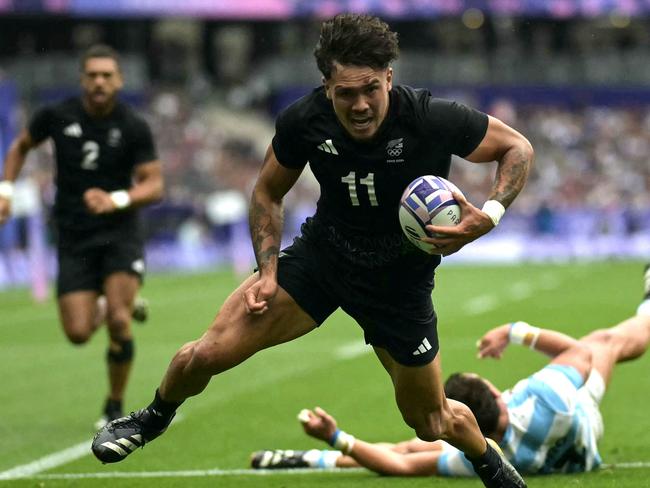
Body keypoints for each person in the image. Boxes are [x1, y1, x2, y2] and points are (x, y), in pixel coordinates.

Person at [92, 13, 533, 487]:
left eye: (370, 90)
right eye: (346, 93)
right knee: (207, 353)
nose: (360, 105)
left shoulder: (429, 116)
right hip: (324, 259)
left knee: (430, 423)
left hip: (399, 283)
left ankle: (488, 460)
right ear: (327, 87)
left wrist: (489, 214)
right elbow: (266, 193)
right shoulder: (304, 121)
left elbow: (517, 148)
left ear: (389, 77)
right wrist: (267, 271)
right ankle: (151, 417)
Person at [251, 291, 650, 477]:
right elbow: (580, 354)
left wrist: (336, 437)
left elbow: (401, 464)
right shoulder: (545, 398)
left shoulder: (474, 456)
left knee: (408, 447)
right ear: (496, 391)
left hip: (554, 453)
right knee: (605, 343)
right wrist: (516, 331)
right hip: (579, 420)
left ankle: (308, 459)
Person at [0, 44, 164, 427]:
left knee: (121, 323)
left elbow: (154, 186)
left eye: (107, 75)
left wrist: (117, 198)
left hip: (119, 233)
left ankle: (114, 405)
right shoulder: (57, 116)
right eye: (92, 75)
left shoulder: (133, 126)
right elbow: (20, 146)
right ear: (82, 80)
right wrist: (5, 190)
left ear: (119, 80)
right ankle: (110, 305)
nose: (99, 82)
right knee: (77, 333)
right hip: (73, 236)